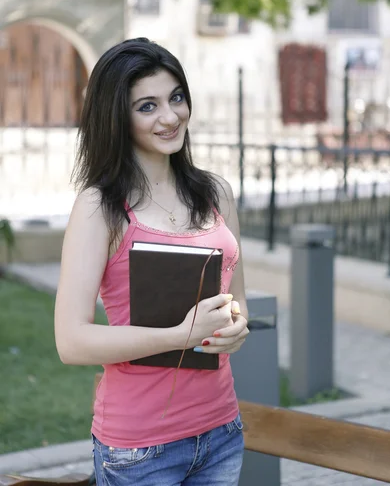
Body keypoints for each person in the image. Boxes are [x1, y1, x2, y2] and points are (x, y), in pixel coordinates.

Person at [54, 37, 249, 486]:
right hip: (140, 448)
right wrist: (180, 336)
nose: (170, 116)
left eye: (176, 97)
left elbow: (236, 302)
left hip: (221, 430)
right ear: (117, 118)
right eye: (147, 106)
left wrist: (237, 327)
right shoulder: (99, 207)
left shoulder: (215, 193)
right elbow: (71, 341)